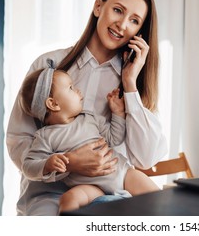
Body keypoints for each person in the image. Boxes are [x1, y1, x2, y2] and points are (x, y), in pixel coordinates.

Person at [7, 0, 167, 215]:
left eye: (134, 21)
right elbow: (19, 141)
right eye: (118, 10)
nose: (122, 25)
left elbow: (146, 158)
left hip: (110, 192)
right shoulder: (48, 67)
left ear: (139, 33)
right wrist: (70, 163)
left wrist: (130, 84)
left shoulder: (133, 82)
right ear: (98, 7)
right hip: (46, 197)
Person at [19, 63, 159, 214]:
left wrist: (117, 113)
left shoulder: (89, 118)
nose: (78, 90)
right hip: (91, 188)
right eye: (71, 88)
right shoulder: (45, 136)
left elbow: (114, 139)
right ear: (53, 104)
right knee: (69, 199)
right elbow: (28, 167)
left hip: (121, 175)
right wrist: (47, 164)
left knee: (159, 201)